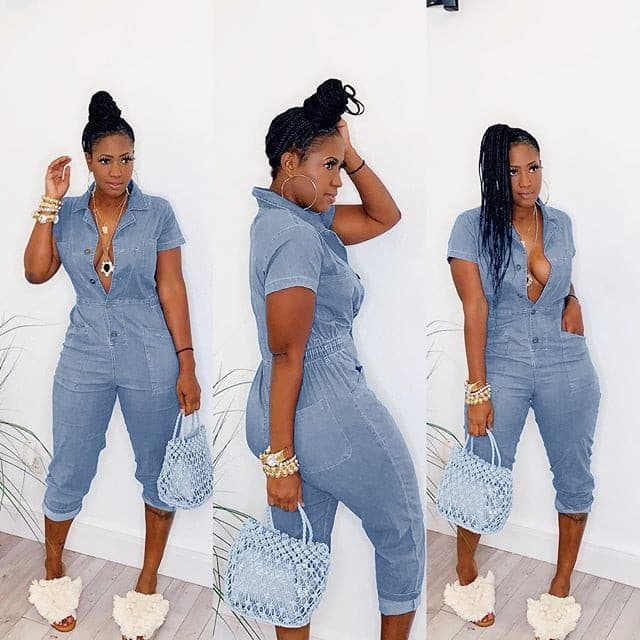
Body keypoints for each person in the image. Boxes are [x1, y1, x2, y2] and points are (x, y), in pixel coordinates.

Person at [243, 78, 424, 640]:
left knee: (295, 556)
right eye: (327, 167)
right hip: (325, 406)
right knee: (402, 530)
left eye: (339, 169)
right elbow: (288, 352)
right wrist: (280, 463)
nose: (336, 181)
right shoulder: (297, 236)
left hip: (281, 410)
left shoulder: (288, 221)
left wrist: (348, 150)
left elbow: (384, 216)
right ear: (289, 162)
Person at [24, 91, 201, 640]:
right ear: (88, 161)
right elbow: (35, 272)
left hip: (151, 357)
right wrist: (49, 201)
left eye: (127, 159)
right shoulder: (68, 214)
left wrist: (187, 364)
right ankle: (53, 569)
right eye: (106, 160)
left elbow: (172, 288)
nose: (118, 171)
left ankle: (147, 583)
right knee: (70, 466)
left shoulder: (157, 213)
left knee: (156, 470)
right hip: (84, 355)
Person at [444, 123, 599, 640]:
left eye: (533, 168)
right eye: (513, 171)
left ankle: (561, 587)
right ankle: (466, 573)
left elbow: (560, 283)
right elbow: (474, 308)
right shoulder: (470, 227)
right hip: (503, 361)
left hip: (564, 361)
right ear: (495, 174)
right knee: (481, 476)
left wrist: (571, 298)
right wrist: (478, 390)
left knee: (574, 477)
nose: (527, 181)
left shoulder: (561, 223)